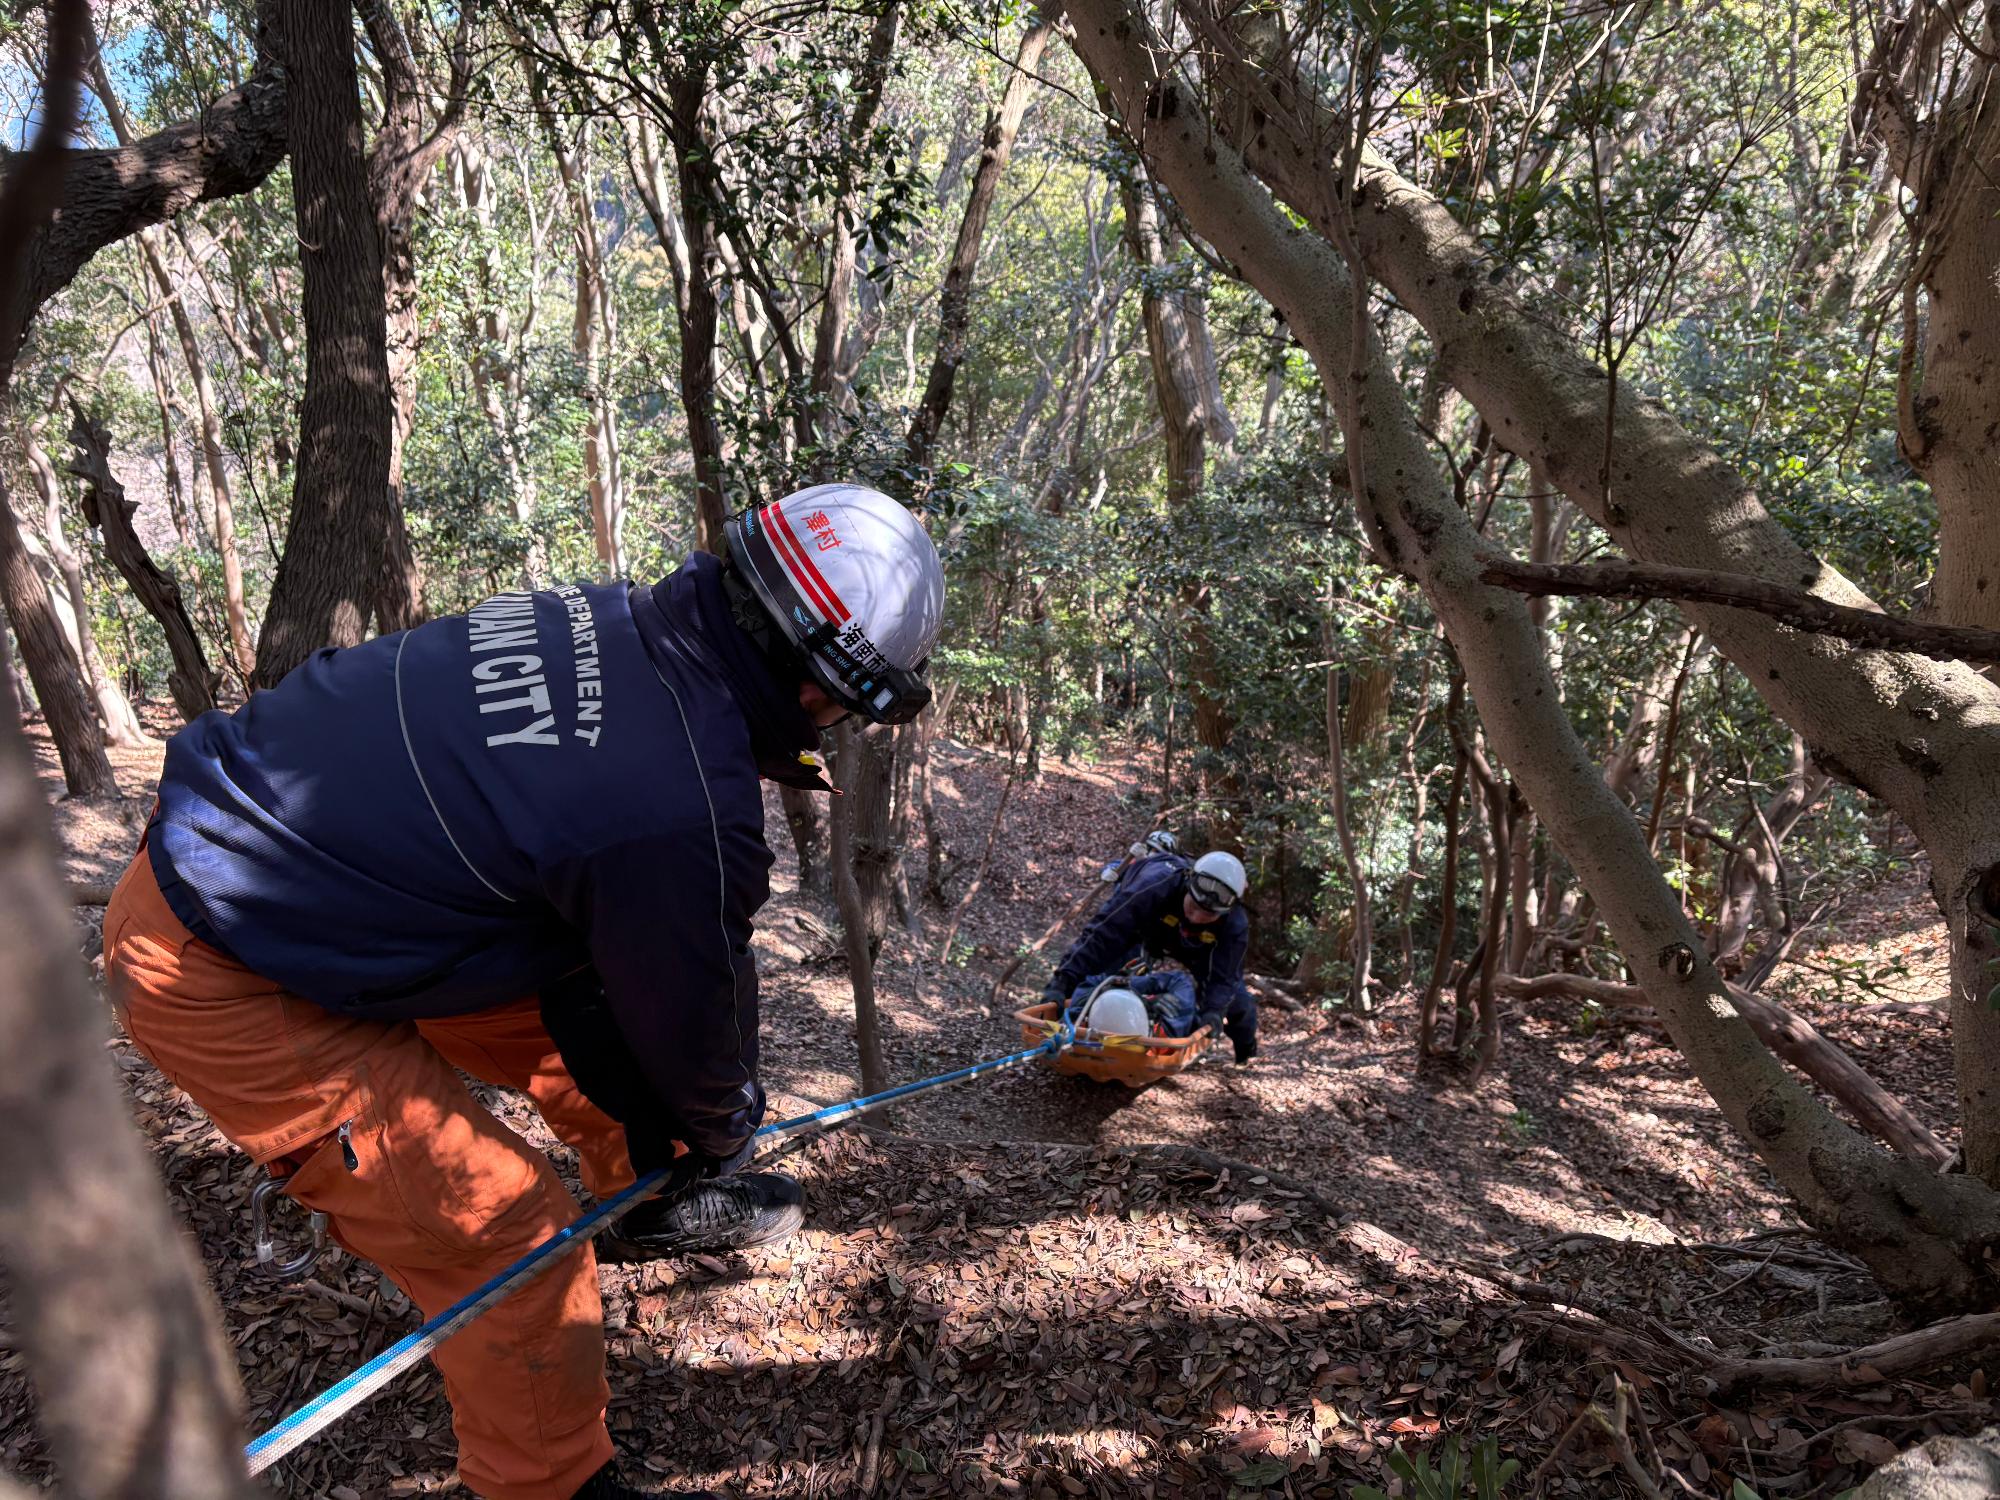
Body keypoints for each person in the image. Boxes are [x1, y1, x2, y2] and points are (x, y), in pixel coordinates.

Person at [102, 484, 945, 1500]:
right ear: (819, 689)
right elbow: (695, 1013)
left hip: (347, 900)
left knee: (598, 1035)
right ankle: (552, 1484)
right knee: (508, 1228)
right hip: (224, 962)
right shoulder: (675, 804)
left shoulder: (605, 615)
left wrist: (687, 1132)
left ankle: (647, 1198)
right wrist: (726, 1131)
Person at [1043, 847, 1259, 1064]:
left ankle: (1246, 1056)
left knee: (1238, 1003)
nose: (1196, 917)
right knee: (1104, 980)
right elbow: (1102, 935)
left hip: (1198, 948)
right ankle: (1065, 1029)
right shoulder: (1153, 885)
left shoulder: (1234, 924)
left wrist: (1214, 1010)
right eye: (1194, 906)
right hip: (1144, 928)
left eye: (1208, 914)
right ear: (1187, 884)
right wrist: (1062, 981)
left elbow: (1225, 977)